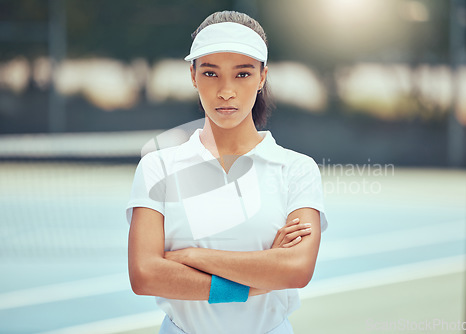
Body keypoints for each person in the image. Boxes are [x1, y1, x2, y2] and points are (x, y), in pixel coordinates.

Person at [126, 10, 328, 334]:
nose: (226, 91)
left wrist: (191, 256)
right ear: (192, 75)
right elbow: (145, 274)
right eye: (210, 73)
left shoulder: (297, 170)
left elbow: (295, 270)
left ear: (262, 76)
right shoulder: (157, 167)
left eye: (243, 74)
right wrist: (257, 280)